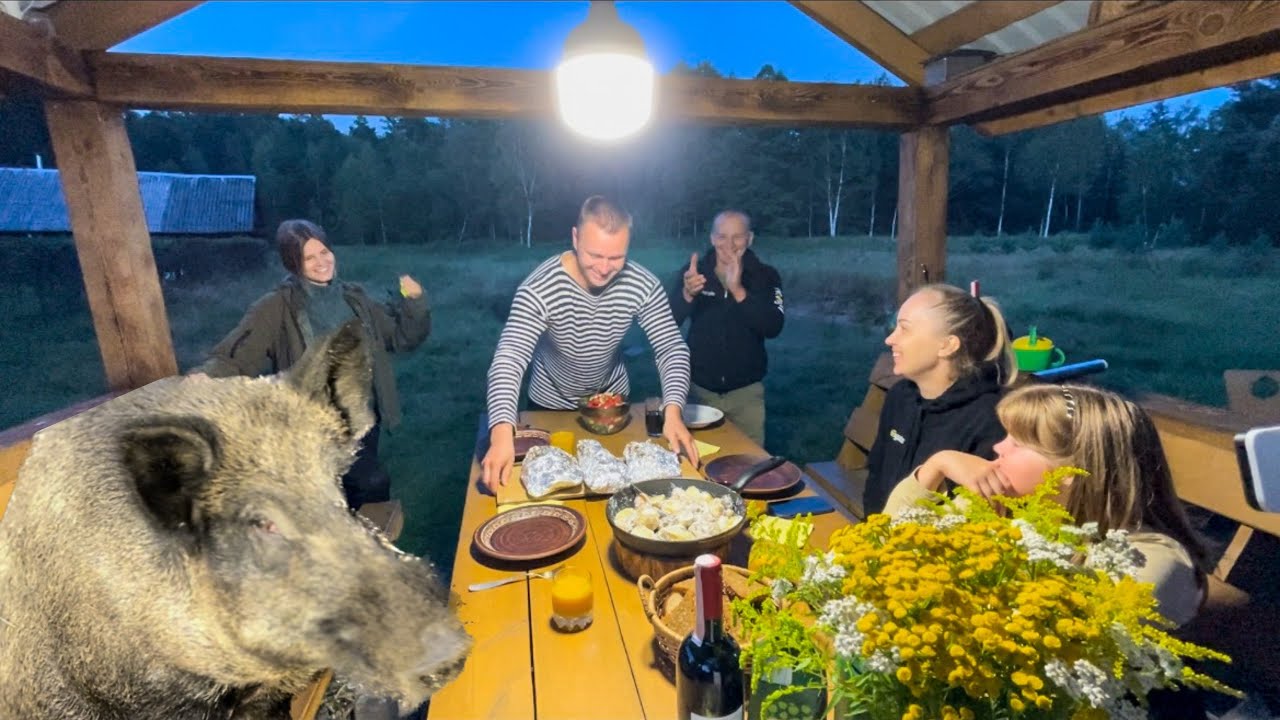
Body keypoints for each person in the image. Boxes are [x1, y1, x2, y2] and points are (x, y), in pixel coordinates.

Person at [886, 383, 1209, 627]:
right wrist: (935, 467)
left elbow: (1067, 645)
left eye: (1018, 442)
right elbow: (885, 548)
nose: (998, 447)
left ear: (1074, 471)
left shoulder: (1146, 561)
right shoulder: (1004, 511)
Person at [194, 219, 431, 509]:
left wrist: (414, 302)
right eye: (309, 257)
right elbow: (237, 352)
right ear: (293, 264)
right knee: (359, 488)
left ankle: (360, 544)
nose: (321, 262)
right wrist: (207, 376)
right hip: (314, 427)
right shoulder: (277, 306)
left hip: (363, 420)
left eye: (324, 252)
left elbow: (400, 338)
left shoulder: (353, 298)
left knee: (361, 490)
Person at [481, 196, 697, 492]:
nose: (605, 268)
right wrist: (502, 431)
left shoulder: (642, 284)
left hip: (613, 407)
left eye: (616, 258)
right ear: (575, 238)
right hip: (550, 406)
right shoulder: (538, 288)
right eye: (594, 255)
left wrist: (673, 411)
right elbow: (510, 356)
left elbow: (670, 347)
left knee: (618, 490)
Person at [863, 283, 1017, 515]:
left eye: (904, 329)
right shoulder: (901, 397)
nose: (890, 339)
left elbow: (973, 520)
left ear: (947, 345)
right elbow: (876, 478)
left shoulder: (991, 420)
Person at [668, 210, 783, 447]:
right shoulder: (694, 273)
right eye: (721, 236)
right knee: (696, 463)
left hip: (746, 394)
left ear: (749, 238)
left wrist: (739, 290)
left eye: (737, 237)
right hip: (699, 391)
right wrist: (687, 294)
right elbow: (668, 322)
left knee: (749, 464)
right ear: (712, 238)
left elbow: (773, 327)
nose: (728, 244)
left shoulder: (765, 276)